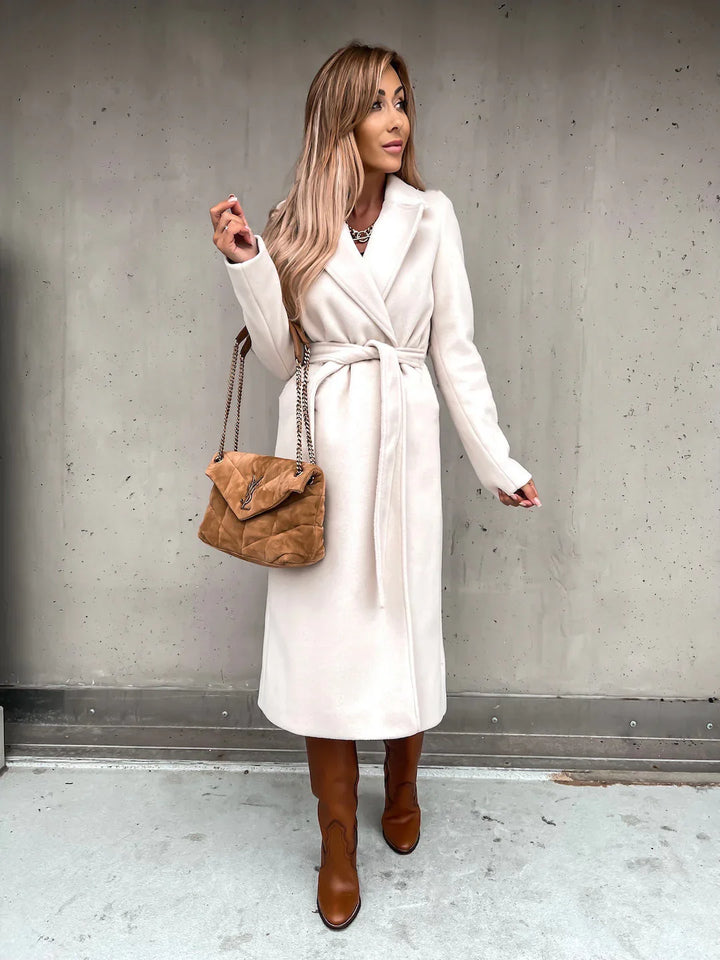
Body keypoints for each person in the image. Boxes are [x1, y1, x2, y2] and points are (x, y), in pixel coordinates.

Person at [208, 41, 541, 931]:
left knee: (398, 628)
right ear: (339, 119)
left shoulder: (432, 216)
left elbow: (453, 351)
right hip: (323, 451)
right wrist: (248, 263)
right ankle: (337, 842)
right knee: (326, 649)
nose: (397, 120)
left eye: (404, 101)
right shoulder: (291, 221)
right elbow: (285, 359)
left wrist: (498, 462)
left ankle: (402, 786)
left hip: (400, 448)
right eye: (378, 104)